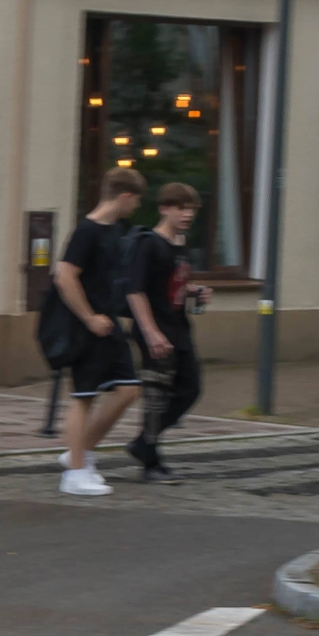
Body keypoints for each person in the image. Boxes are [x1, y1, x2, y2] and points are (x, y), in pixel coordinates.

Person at [50, 168, 145, 497]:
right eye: (135, 200)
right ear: (124, 196)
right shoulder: (87, 231)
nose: (136, 207)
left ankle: (78, 452)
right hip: (86, 327)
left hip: (110, 325)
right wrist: (89, 317)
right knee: (84, 396)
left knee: (129, 389)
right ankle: (75, 474)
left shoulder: (116, 230)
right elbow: (64, 276)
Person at [123, 182, 208, 485]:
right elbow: (135, 291)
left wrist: (193, 290)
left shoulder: (180, 243)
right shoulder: (150, 244)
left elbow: (171, 283)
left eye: (191, 210)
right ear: (164, 209)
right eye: (181, 208)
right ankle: (150, 461)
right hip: (156, 330)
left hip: (178, 327)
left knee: (190, 388)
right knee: (156, 396)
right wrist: (151, 332)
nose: (187, 215)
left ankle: (144, 444)